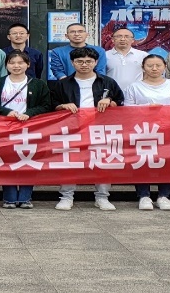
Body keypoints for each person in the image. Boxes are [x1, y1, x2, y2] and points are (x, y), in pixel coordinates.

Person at [51, 47, 123, 210]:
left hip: (100, 128)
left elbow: (121, 101)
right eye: (80, 61)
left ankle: (102, 197)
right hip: (72, 129)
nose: (84, 64)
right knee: (70, 162)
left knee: (102, 162)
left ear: (96, 62)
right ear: (72, 63)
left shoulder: (107, 82)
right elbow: (52, 103)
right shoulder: (63, 84)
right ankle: (66, 197)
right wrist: (62, 106)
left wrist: (110, 101)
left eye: (89, 61)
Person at [0, 49, 50, 209]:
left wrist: (29, 114)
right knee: (7, 161)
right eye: (12, 63)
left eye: (20, 62)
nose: (16, 66)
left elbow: (46, 105)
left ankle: (25, 198)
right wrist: (7, 112)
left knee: (28, 161)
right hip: (4, 129)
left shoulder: (38, 84)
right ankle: (9, 198)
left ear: (28, 64)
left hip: (30, 129)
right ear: (6, 65)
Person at [125, 54, 170, 210]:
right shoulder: (134, 87)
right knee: (142, 162)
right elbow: (127, 110)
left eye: (158, 65)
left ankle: (164, 196)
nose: (154, 69)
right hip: (143, 131)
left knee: (168, 162)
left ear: (165, 67)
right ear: (143, 67)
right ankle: (143, 196)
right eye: (150, 66)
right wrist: (147, 108)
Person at [105, 28, 147, 93]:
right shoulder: (105, 55)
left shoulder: (143, 55)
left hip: (137, 93)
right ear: (112, 39)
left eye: (127, 36)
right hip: (112, 94)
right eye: (119, 36)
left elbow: (148, 74)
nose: (123, 39)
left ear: (133, 40)